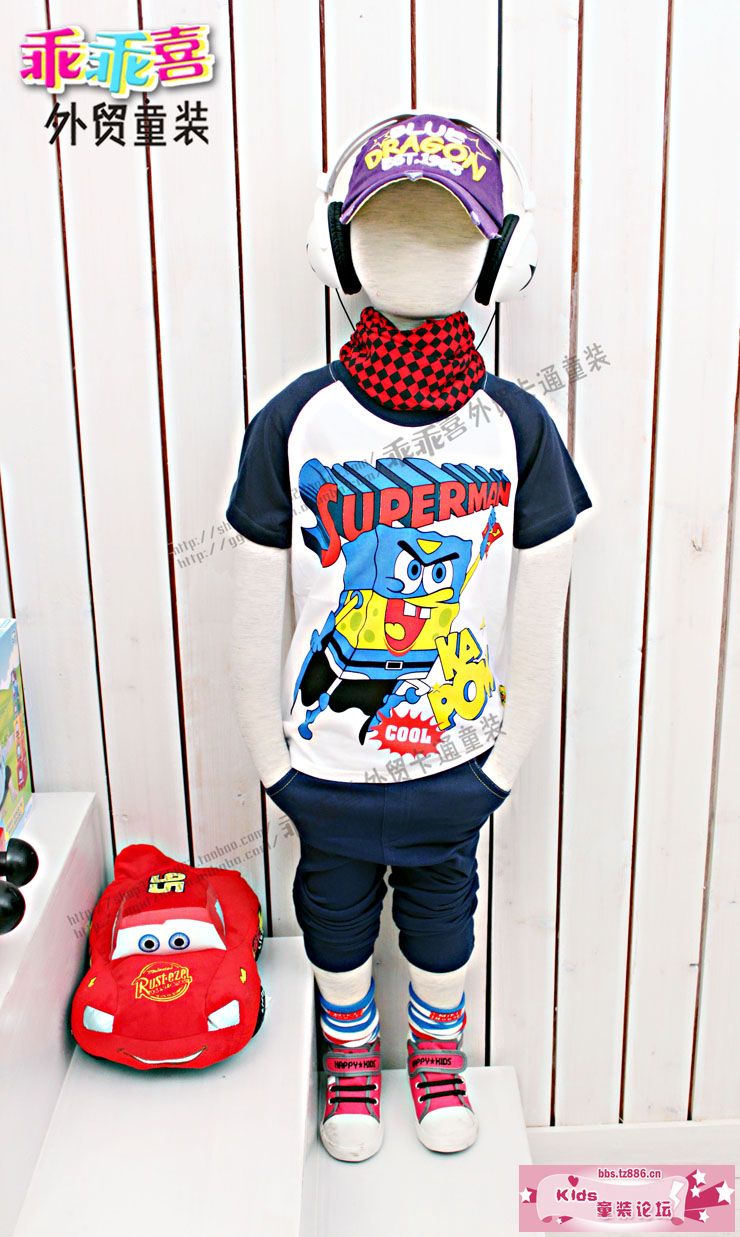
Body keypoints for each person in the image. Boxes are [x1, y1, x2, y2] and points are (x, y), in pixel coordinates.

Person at [226, 112, 593, 1162]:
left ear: (501, 259)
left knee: (443, 922)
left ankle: (437, 1057)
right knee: (332, 920)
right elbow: (248, 601)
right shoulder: (295, 419)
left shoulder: (517, 424)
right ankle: (350, 1059)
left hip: (455, 759)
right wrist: (271, 761)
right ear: (336, 250)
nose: (417, 250)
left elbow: (547, 598)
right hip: (325, 764)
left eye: (450, 231)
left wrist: (504, 766)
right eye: (390, 227)